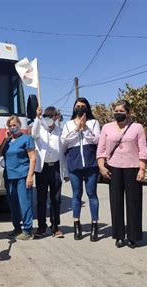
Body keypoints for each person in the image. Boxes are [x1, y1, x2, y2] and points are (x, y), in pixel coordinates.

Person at [97, 100, 147, 248]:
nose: (118, 113)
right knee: (116, 203)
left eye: (121, 111)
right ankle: (119, 235)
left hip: (133, 168)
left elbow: (143, 149)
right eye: (116, 111)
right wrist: (101, 166)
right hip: (113, 168)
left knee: (134, 203)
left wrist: (142, 169)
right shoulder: (107, 127)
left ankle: (133, 236)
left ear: (128, 113)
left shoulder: (137, 127)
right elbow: (101, 149)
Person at [61, 97, 101, 241]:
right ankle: (76, 224)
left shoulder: (93, 122)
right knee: (76, 194)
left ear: (87, 107)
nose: (80, 108)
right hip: (74, 163)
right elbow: (64, 141)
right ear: (74, 108)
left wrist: (86, 129)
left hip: (91, 164)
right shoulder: (68, 124)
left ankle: (94, 225)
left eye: (83, 106)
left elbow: (97, 139)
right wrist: (77, 129)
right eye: (77, 106)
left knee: (92, 194)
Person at [0, 115, 36, 240]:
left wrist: (30, 175)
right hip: (9, 176)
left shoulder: (27, 139)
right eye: (10, 125)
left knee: (24, 204)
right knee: (12, 204)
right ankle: (17, 228)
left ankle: (27, 230)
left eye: (15, 125)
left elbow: (32, 158)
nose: (13, 127)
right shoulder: (7, 141)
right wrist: (4, 139)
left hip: (22, 176)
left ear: (20, 125)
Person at [31, 106, 67, 238]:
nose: (48, 118)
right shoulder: (40, 129)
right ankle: (41, 226)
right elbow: (33, 134)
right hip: (42, 169)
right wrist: (37, 118)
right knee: (41, 199)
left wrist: (66, 172)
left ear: (56, 117)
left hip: (56, 168)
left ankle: (55, 226)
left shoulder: (60, 132)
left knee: (56, 199)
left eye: (50, 116)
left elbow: (63, 153)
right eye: (45, 116)